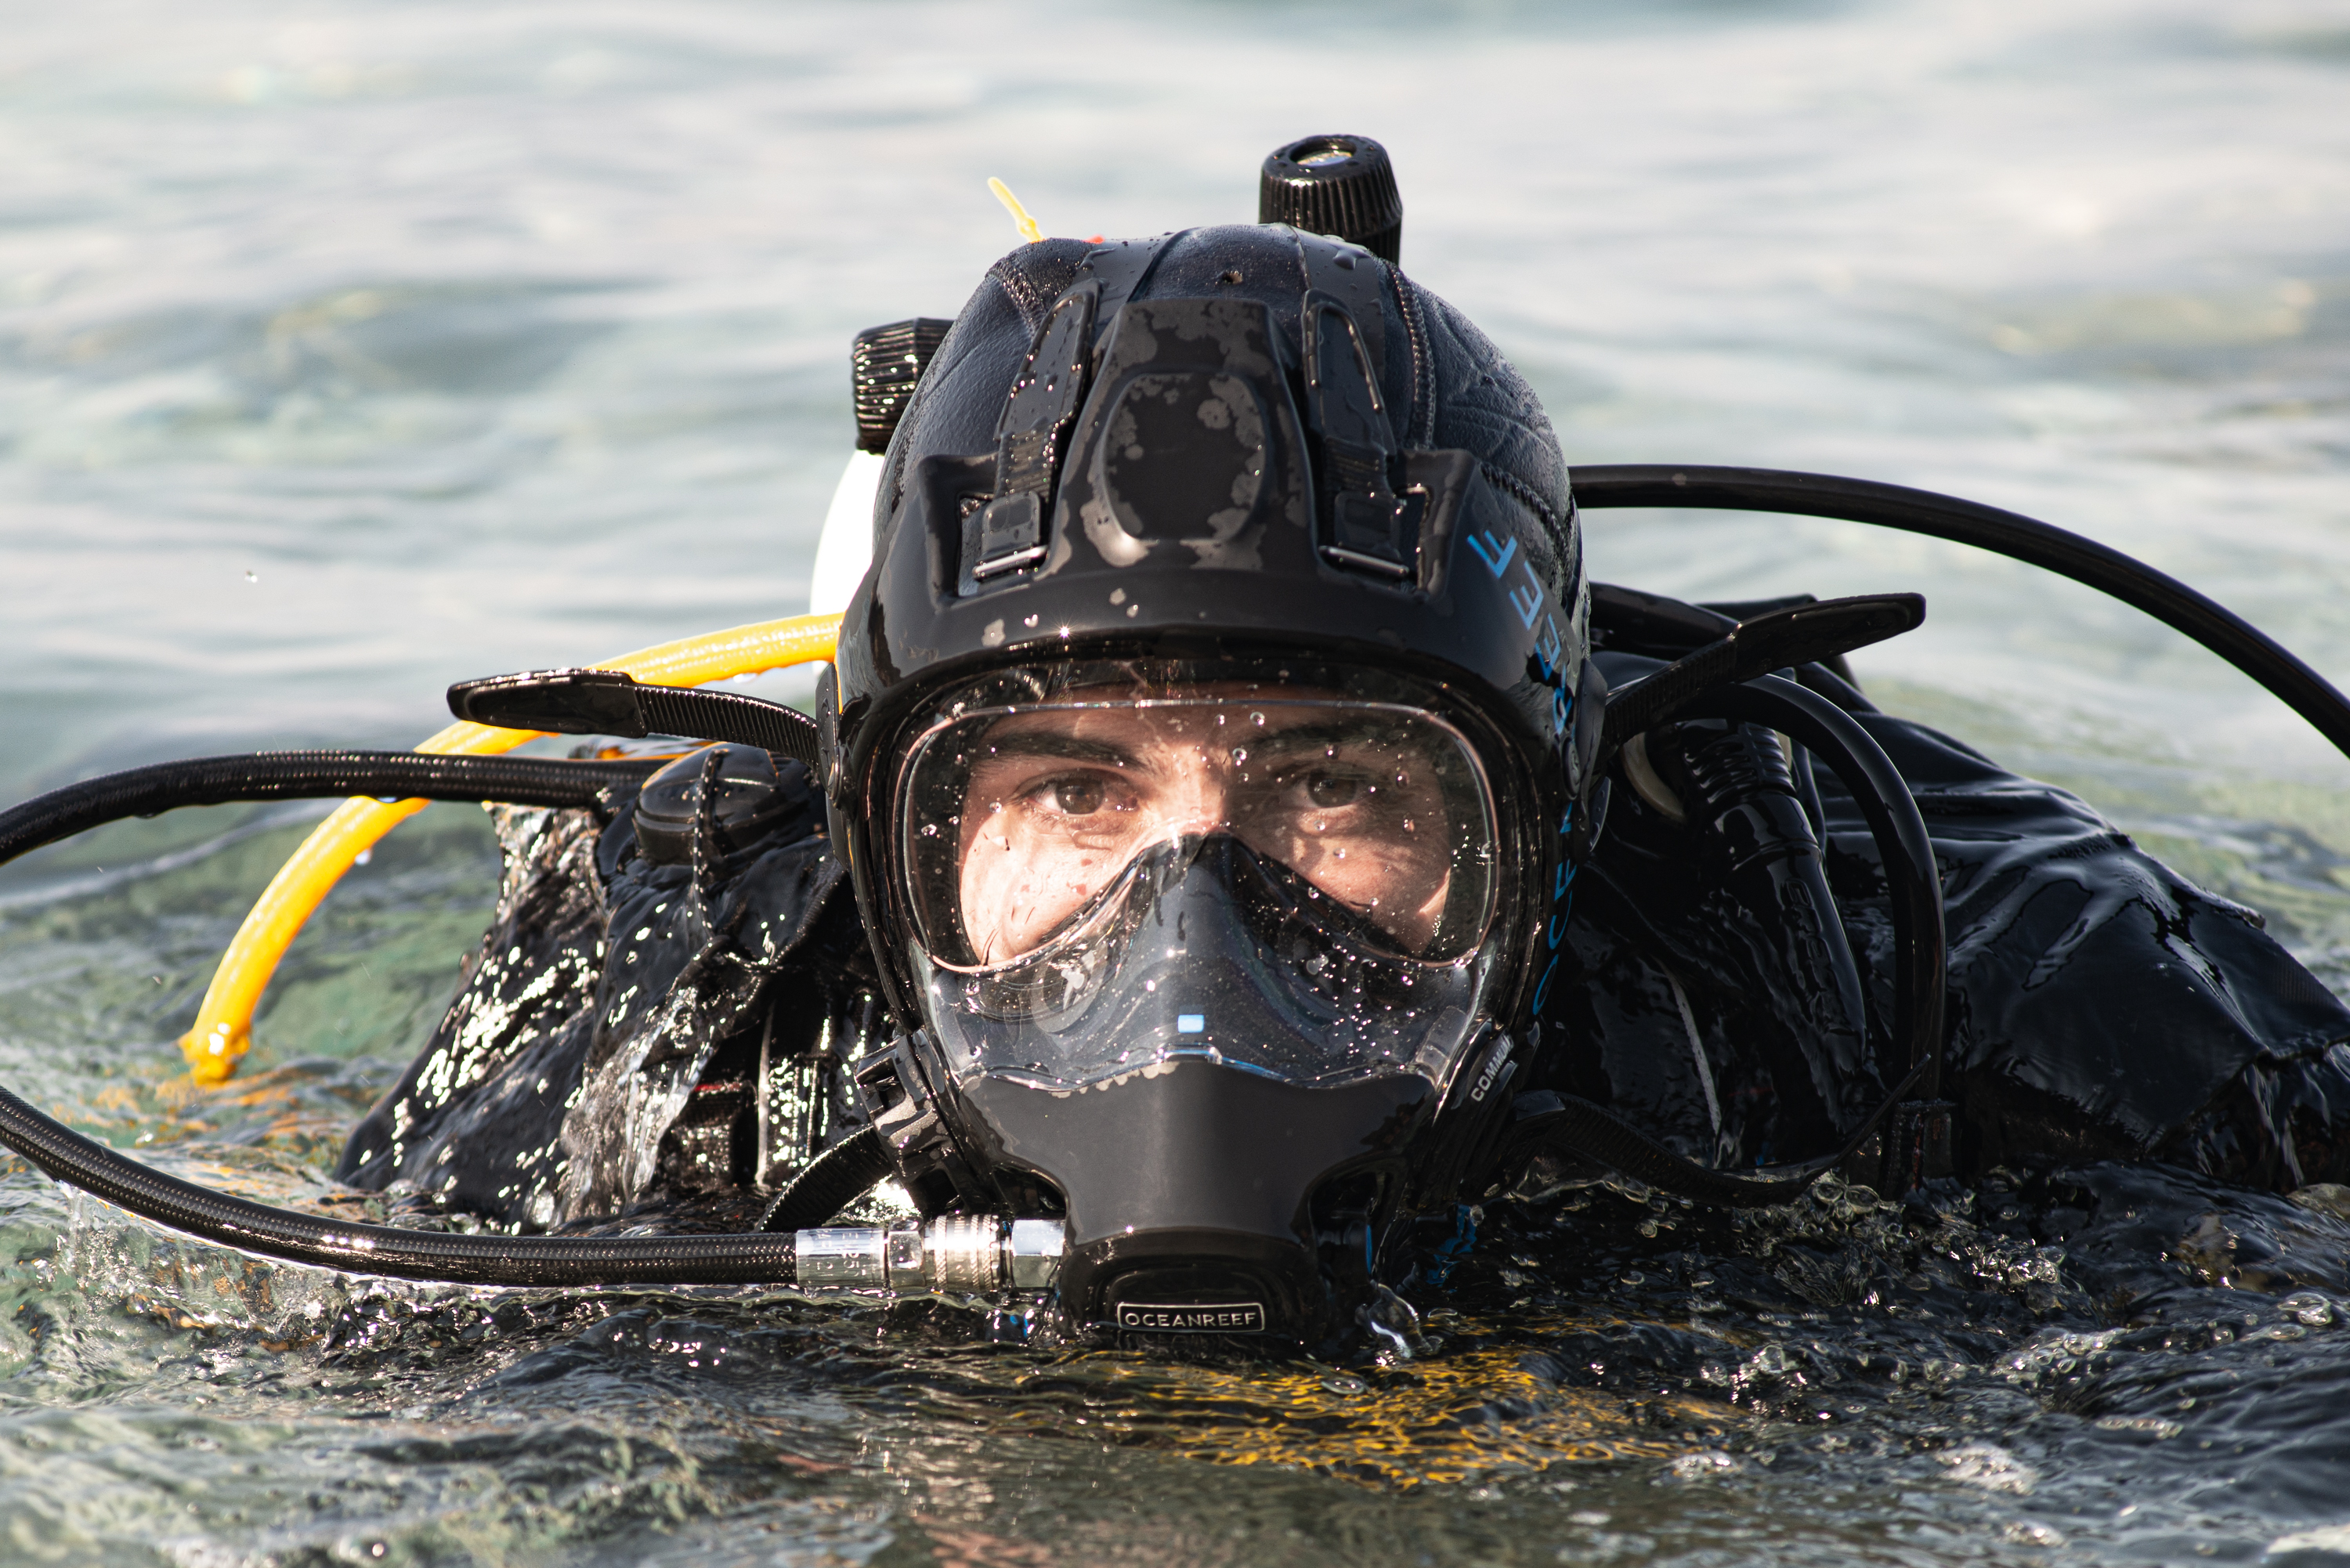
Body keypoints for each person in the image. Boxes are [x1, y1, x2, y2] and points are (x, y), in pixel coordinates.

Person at [332, 222, 2350, 1346]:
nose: (1193, 932)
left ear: (1542, 830)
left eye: (1339, 798)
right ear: (891, 831)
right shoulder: (694, 974)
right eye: (1066, 794)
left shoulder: (1941, 954)